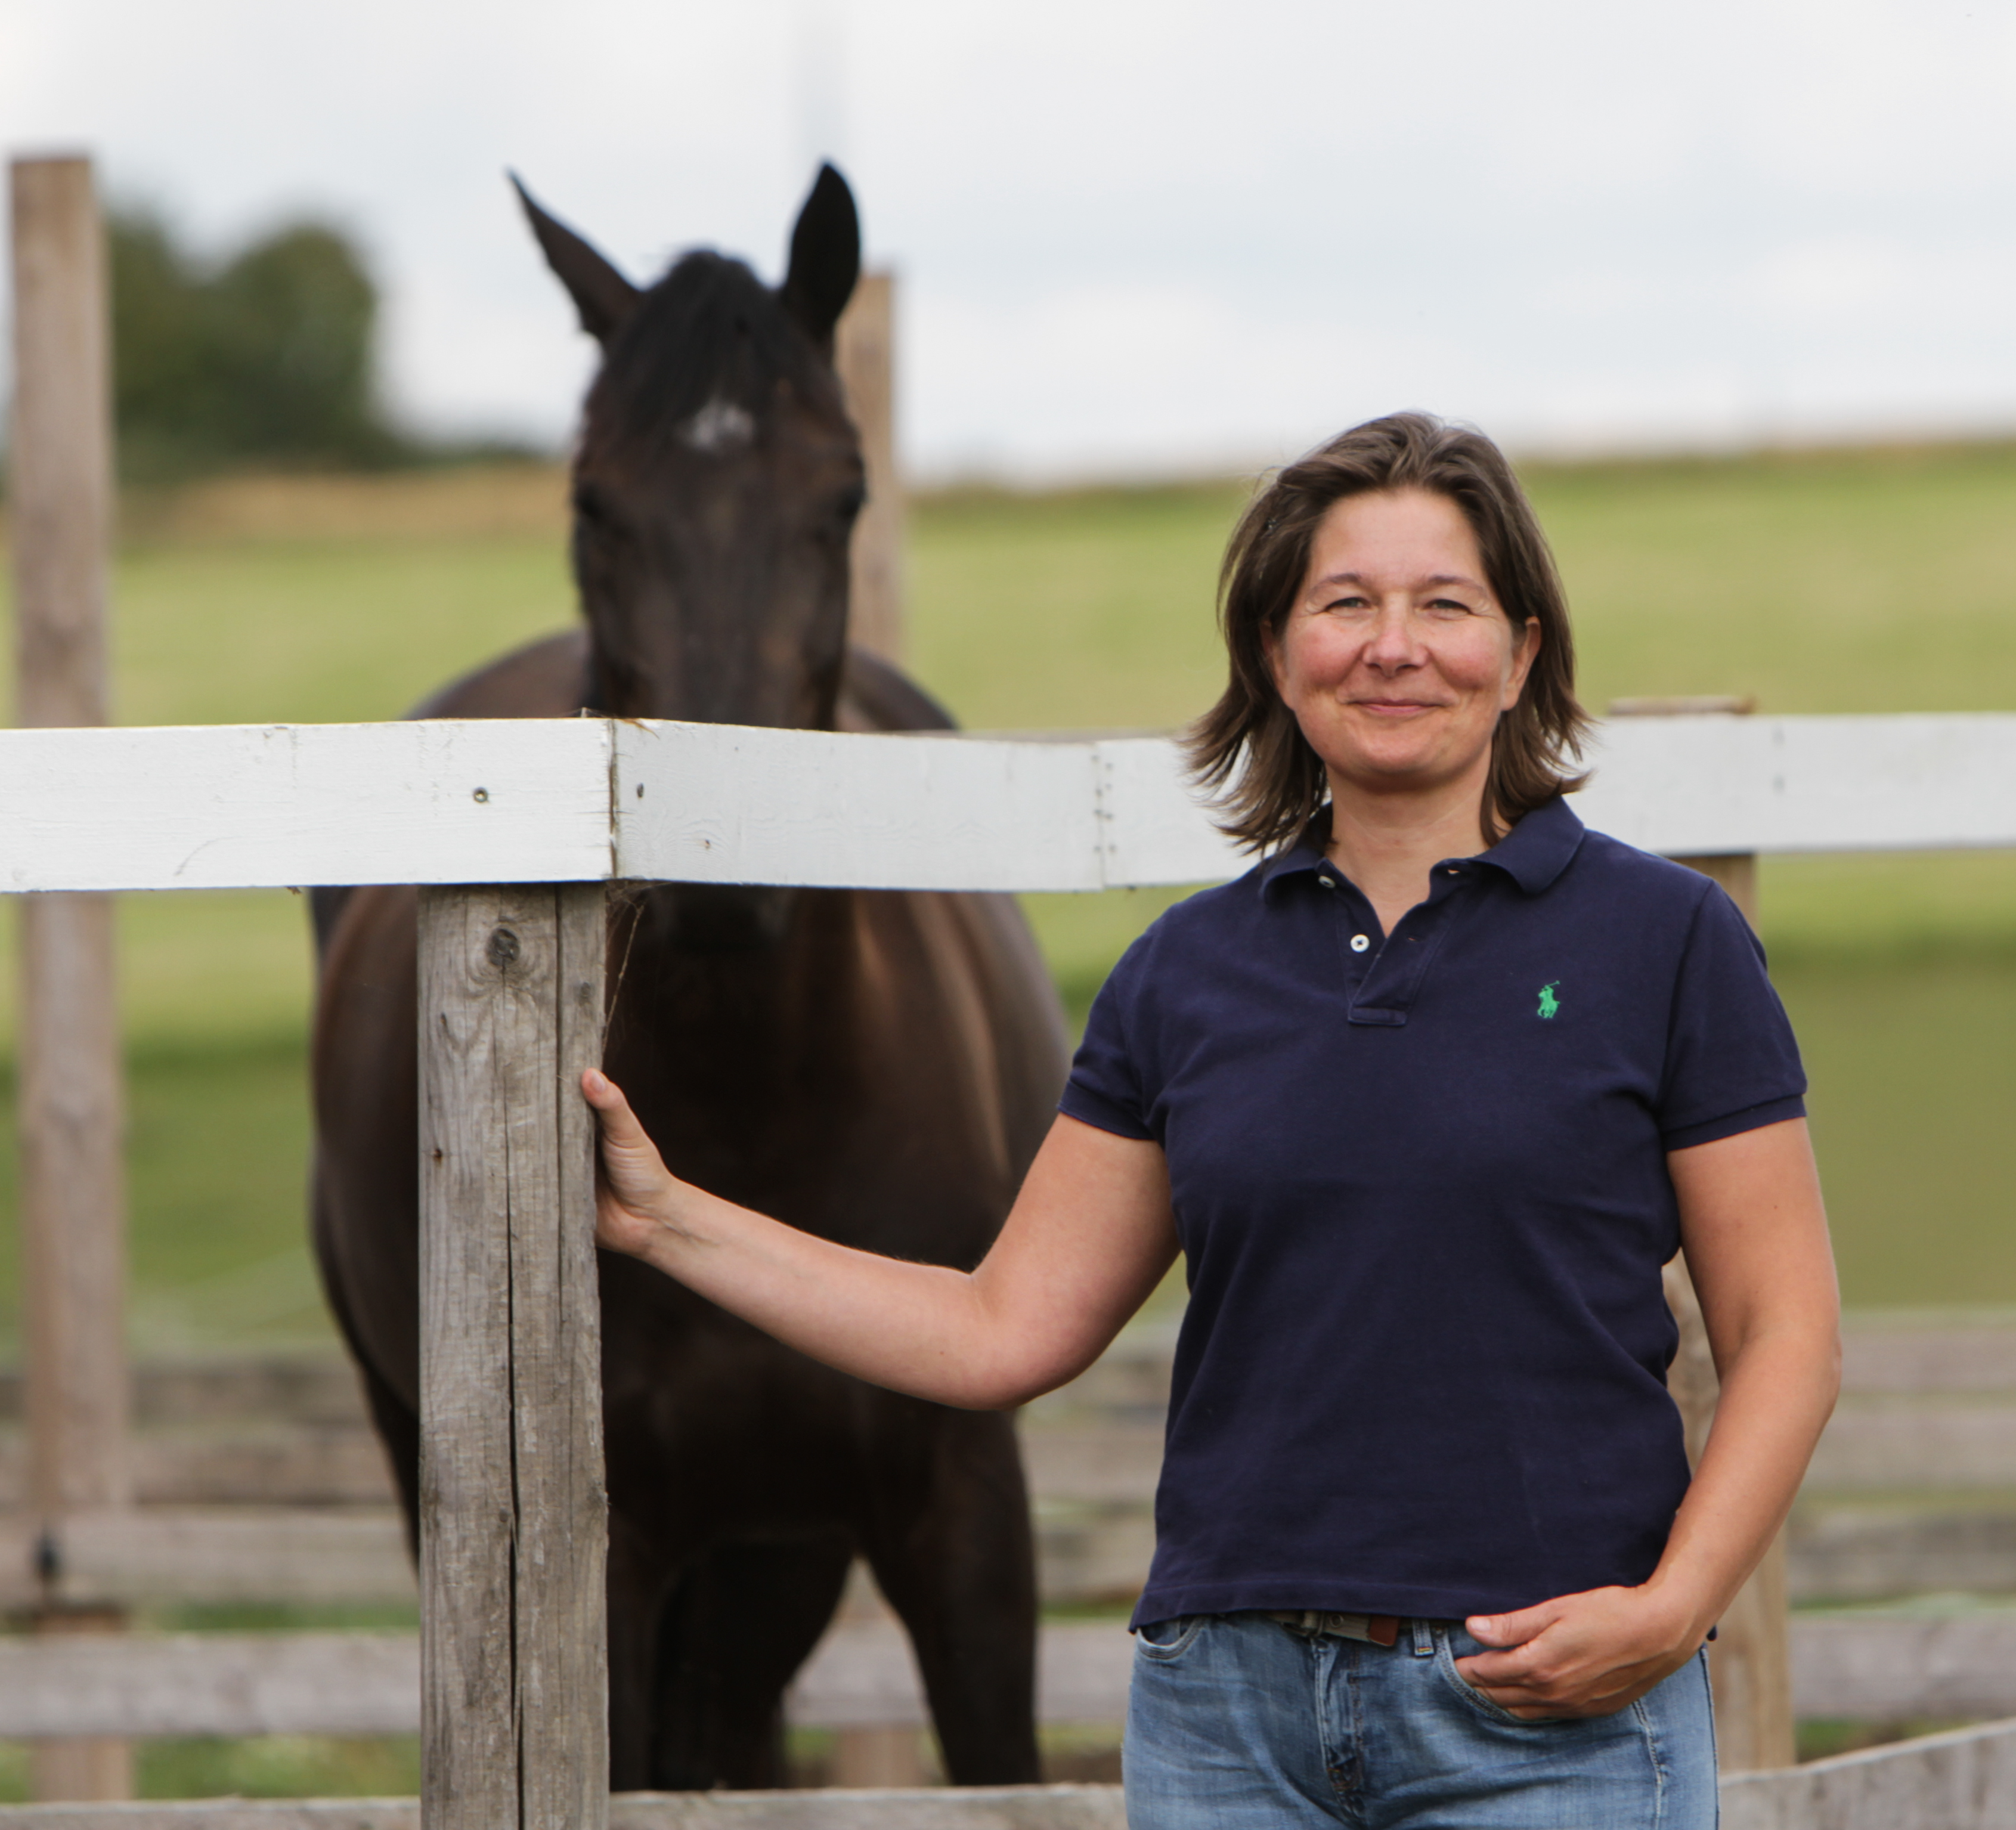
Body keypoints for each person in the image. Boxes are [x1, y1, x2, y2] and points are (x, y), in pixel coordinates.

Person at [583, 410, 1841, 1828]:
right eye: (1344, 603)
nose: (1393, 645)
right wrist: (667, 1218)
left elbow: (1786, 1330)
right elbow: (1000, 1326)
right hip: (1230, 1723)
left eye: (1445, 604)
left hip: (1549, 1705)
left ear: (1521, 654)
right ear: (1274, 654)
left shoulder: (1665, 941)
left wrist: (1673, 1607)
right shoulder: (1185, 972)